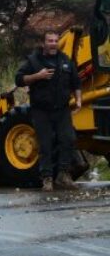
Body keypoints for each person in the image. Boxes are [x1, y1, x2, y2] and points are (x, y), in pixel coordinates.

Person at [15, 30, 82, 190]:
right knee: (45, 144)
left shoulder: (65, 60)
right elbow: (19, 79)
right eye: (50, 41)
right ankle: (47, 178)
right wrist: (37, 76)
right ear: (43, 43)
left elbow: (76, 82)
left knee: (68, 139)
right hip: (41, 111)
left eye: (55, 41)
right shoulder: (33, 61)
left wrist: (78, 100)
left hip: (62, 110)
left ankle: (63, 176)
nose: (53, 44)